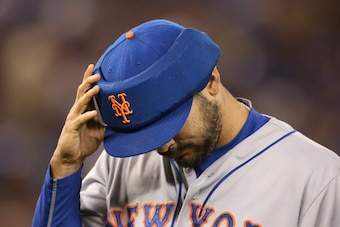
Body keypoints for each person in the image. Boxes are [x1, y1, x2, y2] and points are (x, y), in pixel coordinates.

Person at [32, 19, 340, 227]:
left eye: (168, 123)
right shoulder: (122, 164)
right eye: (144, 132)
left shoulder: (317, 179)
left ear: (212, 82)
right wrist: (66, 167)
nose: (162, 144)